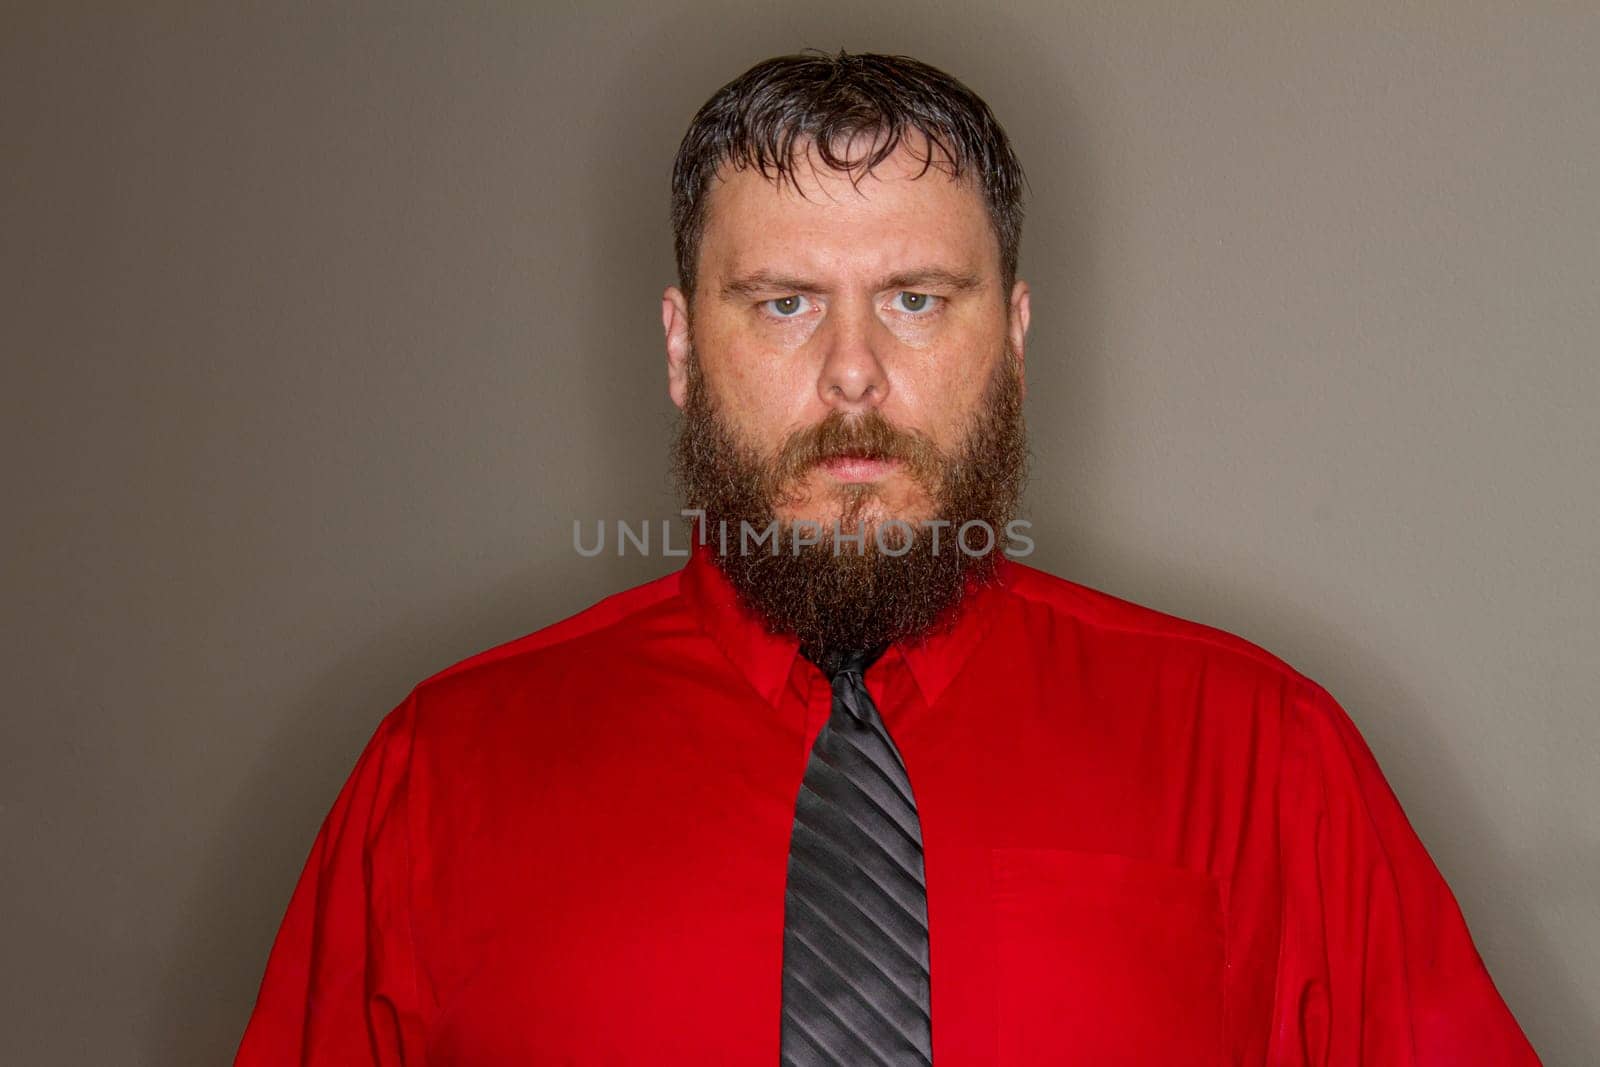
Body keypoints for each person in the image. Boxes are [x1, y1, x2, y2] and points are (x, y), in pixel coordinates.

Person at [234, 49, 1541, 1066]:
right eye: (785, 302)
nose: (852, 373)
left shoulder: (1266, 757)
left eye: (916, 299)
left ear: (1015, 337)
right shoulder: (436, 778)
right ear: (683, 348)